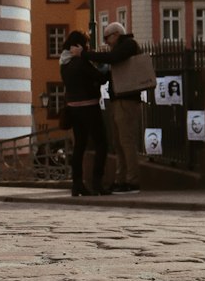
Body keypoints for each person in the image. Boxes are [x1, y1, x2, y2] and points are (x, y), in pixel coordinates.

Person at [91, 21, 143, 194]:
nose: (106, 43)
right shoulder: (120, 48)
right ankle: (121, 179)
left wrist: (88, 54)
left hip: (127, 100)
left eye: (107, 38)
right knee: (119, 143)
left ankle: (132, 181)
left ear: (116, 34)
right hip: (118, 99)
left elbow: (113, 58)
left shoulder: (129, 44)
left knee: (126, 141)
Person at [60, 30, 108, 197]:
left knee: (79, 146)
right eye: (85, 44)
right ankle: (97, 182)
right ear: (79, 45)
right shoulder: (80, 62)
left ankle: (77, 184)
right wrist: (103, 67)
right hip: (89, 107)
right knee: (102, 143)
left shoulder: (64, 63)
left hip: (73, 108)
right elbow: (101, 78)